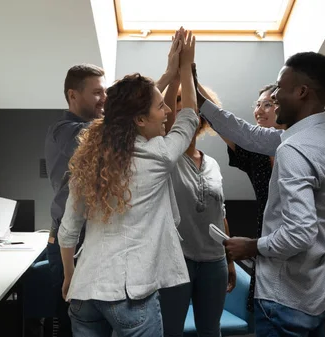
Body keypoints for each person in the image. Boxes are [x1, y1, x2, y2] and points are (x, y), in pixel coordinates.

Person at [195, 51, 325, 337]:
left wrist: (250, 247)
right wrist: (197, 92)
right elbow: (247, 135)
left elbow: (300, 233)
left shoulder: (292, 151)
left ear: (302, 92)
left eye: (279, 88)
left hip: (286, 299)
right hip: (316, 293)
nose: (274, 96)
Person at [57, 28, 199, 337]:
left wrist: (70, 276)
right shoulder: (158, 155)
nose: (166, 112)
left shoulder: (90, 161)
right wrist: (186, 69)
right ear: (139, 119)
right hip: (127, 297)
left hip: (84, 294)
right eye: (161, 106)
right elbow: (189, 117)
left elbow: (68, 231)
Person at [159, 82, 236, 337]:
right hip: (177, 260)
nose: (187, 109)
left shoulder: (212, 163)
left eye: (192, 106)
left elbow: (220, 212)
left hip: (215, 262)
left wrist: (230, 259)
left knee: (210, 331)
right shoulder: (165, 157)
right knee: (170, 331)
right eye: (180, 103)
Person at [44, 63, 106, 337]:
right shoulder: (65, 130)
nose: (103, 99)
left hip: (89, 240)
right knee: (70, 322)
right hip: (69, 243)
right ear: (73, 95)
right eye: (97, 93)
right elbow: (106, 131)